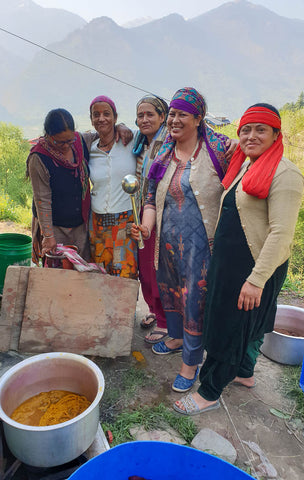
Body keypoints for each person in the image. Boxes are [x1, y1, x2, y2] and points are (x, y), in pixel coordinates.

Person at [173, 103, 304, 415]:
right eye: (246, 129)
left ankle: (209, 391)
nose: (251, 135)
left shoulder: (285, 174)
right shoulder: (247, 164)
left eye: (261, 129)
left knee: (228, 329)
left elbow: (280, 234)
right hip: (230, 263)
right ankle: (244, 374)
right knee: (245, 325)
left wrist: (256, 281)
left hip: (253, 267)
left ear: (276, 134)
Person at [131, 87, 235, 393]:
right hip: (167, 244)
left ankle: (191, 364)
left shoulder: (217, 149)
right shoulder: (163, 154)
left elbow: (240, 176)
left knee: (194, 301)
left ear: (198, 118)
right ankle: (175, 337)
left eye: (182, 115)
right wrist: (147, 230)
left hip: (202, 246)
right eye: (172, 114)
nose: (175, 120)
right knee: (171, 291)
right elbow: (150, 199)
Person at [26, 108, 91, 265]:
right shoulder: (39, 158)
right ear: (48, 135)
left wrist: (120, 127)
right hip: (54, 227)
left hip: (80, 225)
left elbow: (102, 135)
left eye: (69, 140)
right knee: (57, 273)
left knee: (81, 272)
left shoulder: (79, 141)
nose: (66, 145)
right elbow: (42, 199)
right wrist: (48, 237)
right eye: (59, 142)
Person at [132, 95, 169, 343]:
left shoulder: (169, 142)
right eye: (141, 115)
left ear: (162, 117)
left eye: (150, 114)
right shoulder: (138, 144)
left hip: (163, 217)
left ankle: (166, 322)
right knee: (144, 270)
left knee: (159, 270)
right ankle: (153, 311)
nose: (144, 119)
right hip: (140, 214)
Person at [89, 95, 138, 279]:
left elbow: (158, 133)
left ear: (115, 118)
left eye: (106, 114)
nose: (101, 118)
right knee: (100, 275)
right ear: (92, 120)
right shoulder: (90, 149)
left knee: (125, 276)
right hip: (97, 224)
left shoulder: (131, 141)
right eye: (96, 115)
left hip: (125, 223)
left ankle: (127, 310)